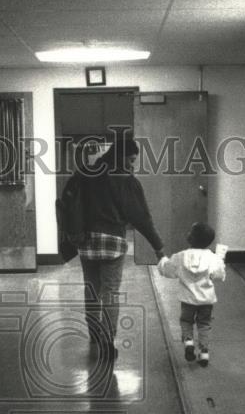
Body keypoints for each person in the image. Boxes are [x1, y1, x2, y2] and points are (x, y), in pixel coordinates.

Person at [73, 137, 165, 361]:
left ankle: (94, 332)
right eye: (131, 159)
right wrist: (158, 245)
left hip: (86, 242)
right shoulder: (125, 179)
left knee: (92, 288)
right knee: (110, 291)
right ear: (122, 156)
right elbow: (141, 217)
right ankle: (107, 340)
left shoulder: (87, 174)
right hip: (112, 241)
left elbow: (72, 206)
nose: (133, 164)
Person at [157, 222, 226, 367]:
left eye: (190, 231)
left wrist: (162, 259)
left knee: (186, 321)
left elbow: (168, 271)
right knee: (204, 324)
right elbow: (218, 275)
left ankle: (188, 341)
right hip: (206, 300)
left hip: (187, 300)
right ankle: (204, 352)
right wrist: (220, 260)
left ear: (191, 238)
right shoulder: (212, 257)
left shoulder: (180, 256)